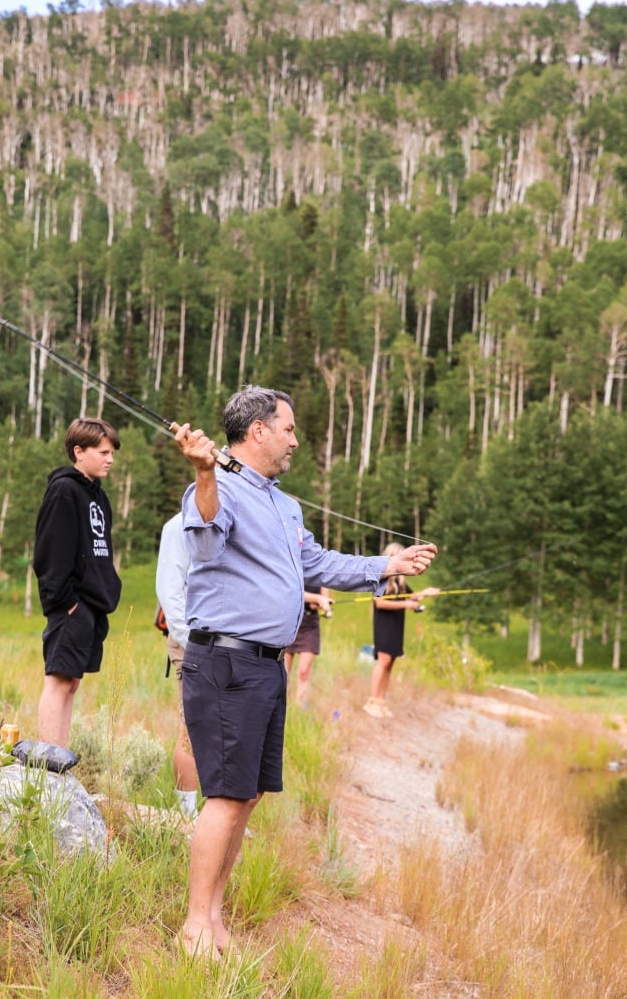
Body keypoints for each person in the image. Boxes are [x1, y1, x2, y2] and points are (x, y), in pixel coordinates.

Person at [173, 385, 437, 957]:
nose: (295, 439)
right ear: (258, 431)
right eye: (288, 428)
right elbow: (203, 529)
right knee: (223, 795)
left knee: (246, 796)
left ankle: (215, 917)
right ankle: (195, 926)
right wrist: (203, 473)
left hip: (268, 669)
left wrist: (386, 563)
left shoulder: (284, 504)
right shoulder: (217, 487)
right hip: (225, 662)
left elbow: (316, 563)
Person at [33, 417, 122, 748]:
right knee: (57, 680)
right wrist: (65, 600)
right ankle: (48, 765)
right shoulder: (64, 491)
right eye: (103, 452)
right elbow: (48, 552)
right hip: (71, 605)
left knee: (71, 682)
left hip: (92, 605)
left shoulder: (98, 496)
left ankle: (60, 759)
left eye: (112, 452)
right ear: (78, 451)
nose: (110, 459)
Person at [155, 511, 200, 820]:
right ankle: (186, 816)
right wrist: (191, 641)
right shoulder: (179, 526)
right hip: (190, 643)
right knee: (192, 728)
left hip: (227, 644)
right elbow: (170, 593)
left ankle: (218, 816)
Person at [363, 541, 440, 719]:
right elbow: (380, 603)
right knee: (383, 661)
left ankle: (381, 702)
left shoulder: (400, 580)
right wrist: (406, 604)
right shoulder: (381, 578)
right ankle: (371, 701)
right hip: (383, 625)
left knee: (390, 662)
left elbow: (410, 596)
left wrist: (425, 593)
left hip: (397, 625)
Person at [283, 587, 331, 707]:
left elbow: (324, 599)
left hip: (310, 624)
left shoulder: (321, 573)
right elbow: (293, 591)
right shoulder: (294, 569)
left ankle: (301, 707)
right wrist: (317, 598)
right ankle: (283, 704)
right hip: (290, 622)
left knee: (304, 671)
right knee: (283, 671)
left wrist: (320, 604)